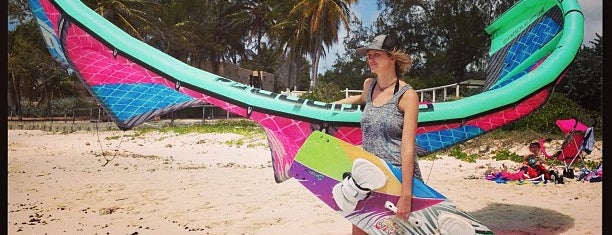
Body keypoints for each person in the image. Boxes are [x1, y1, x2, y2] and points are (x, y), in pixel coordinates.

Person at [333, 34, 421, 235]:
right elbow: (362, 98)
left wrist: (406, 194)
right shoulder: (369, 85)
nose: (370, 59)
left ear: (392, 58)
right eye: (368, 55)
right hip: (368, 175)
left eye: (376, 54)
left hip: (397, 178)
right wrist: (330, 106)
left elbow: (408, 147)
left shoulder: (407, 96)